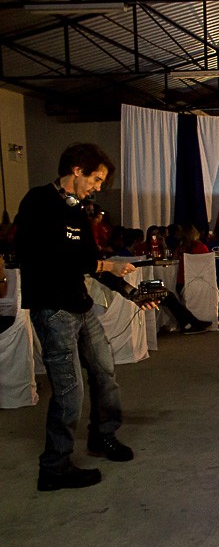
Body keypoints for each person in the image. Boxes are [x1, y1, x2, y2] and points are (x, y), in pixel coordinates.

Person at [14, 143, 158, 491]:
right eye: (96, 179)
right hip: (53, 309)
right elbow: (54, 256)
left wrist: (130, 292)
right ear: (77, 170)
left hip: (80, 305)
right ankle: (54, 467)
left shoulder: (78, 210)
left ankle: (102, 436)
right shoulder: (37, 202)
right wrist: (105, 265)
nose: (97, 187)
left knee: (104, 372)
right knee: (69, 390)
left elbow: (89, 260)